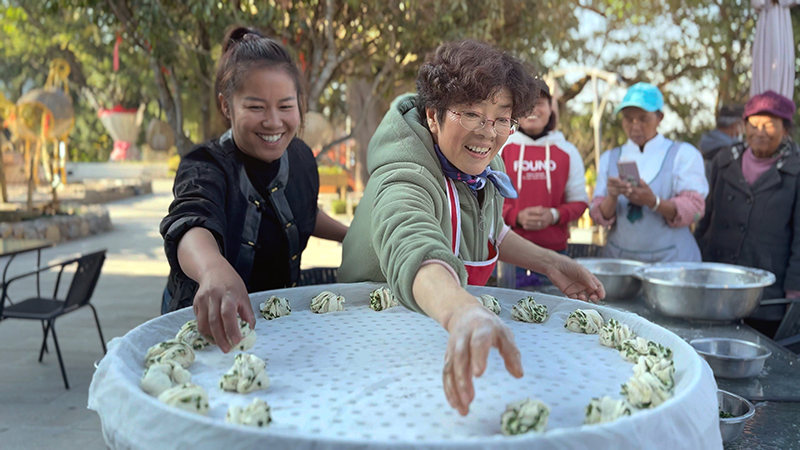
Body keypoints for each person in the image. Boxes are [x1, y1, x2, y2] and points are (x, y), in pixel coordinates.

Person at [338, 40, 604, 416]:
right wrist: (462, 311)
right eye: (471, 114)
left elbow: (489, 230)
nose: (487, 133)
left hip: (440, 335)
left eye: (501, 119)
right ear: (433, 115)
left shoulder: (487, 165)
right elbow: (411, 241)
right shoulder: (405, 171)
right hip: (373, 340)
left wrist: (549, 263)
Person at [160, 27, 348, 353]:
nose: (273, 122)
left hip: (276, 322)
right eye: (256, 107)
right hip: (205, 326)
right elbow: (191, 222)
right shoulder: (204, 164)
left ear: (301, 105)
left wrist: (351, 234)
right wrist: (213, 270)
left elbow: (303, 210)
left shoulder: (301, 157)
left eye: (285, 106)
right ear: (226, 106)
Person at [695, 91, 800, 321]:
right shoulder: (725, 160)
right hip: (719, 281)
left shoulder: (796, 169)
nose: (760, 132)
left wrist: (794, 294)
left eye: (769, 125)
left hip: (767, 293)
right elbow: (707, 217)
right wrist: (696, 263)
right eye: (753, 124)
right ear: (744, 127)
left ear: (785, 129)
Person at [590, 82, 708, 262]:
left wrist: (654, 202)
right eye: (628, 119)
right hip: (621, 262)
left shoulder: (683, 155)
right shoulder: (610, 158)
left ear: (659, 117)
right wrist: (612, 197)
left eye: (644, 119)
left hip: (671, 262)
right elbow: (599, 215)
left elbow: (695, 209)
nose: (635, 126)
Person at [500, 83, 588, 286]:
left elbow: (580, 202)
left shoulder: (568, 151)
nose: (533, 109)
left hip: (556, 254)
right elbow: (485, 201)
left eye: (539, 103)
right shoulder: (501, 148)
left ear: (551, 108)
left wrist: (553, 215)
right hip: (511, 253)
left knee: (556, 312)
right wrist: (516, 216)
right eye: (526, 103)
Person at [698, 104, 744, 179]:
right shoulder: (731, 151)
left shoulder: (706, 143)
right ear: (735, 125)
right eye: (742, 125)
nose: (743, 130)